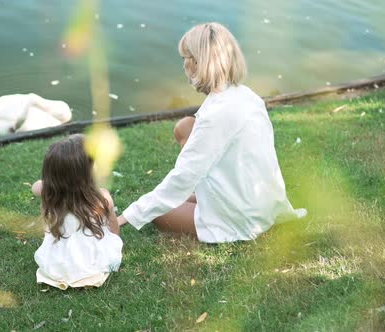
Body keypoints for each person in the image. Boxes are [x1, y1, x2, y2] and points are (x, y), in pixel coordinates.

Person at [117, 22, 306, 243]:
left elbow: (183, 177)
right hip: (262, 202)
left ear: (197, 62)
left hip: (243, 217)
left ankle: (220, 217)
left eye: (185, 58)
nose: (184, 64)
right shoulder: (248, 96)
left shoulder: (215, 116)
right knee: (185, 126)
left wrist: (124, 218)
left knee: (159, 214)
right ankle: (206, 200)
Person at [31, 134, 123, 289]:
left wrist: (54, 184)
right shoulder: (102, 198)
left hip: (58, 259)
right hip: (93, 257)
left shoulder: (49, 193)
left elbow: (36, 186)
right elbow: (114, 228)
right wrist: (114, 243)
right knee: (108, 244)